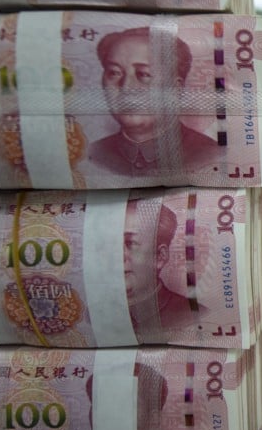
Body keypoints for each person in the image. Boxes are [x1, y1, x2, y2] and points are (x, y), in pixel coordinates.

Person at [88, 27, 222, 175]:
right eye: (114, 72)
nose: (126, 86)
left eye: (144, 74)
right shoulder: (91, 155)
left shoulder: (212, 156)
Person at [124, 201, 209, 335]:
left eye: (130, 243)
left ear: (160, 257)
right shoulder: (90, 313)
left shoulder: (194, 317)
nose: (115, 255)